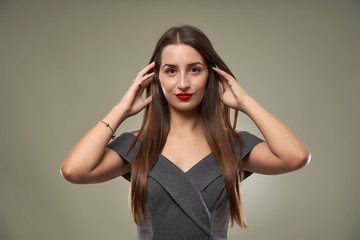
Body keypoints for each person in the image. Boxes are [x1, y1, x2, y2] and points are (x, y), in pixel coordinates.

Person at [61, 25, 310, 239]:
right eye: (170, 70)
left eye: (194, 69)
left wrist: (246, 103)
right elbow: (74, 170)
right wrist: (121, 109)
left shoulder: (233, 145)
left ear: (210, 76)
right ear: (155, 77)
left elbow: (296, 157)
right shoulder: (137, 146)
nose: (182, 83)